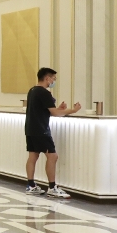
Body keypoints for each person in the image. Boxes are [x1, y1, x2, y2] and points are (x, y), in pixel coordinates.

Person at [25, 68, 81, 198]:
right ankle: (52, 187)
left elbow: (45, 110)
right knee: (52, 156)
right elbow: (54, 113)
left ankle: (31, 185)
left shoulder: (32, 90)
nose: (54, 81)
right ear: (47, 78)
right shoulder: (44, 92)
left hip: (30, 128)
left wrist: (60, 109)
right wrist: (73, 110)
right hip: (41, 129)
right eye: (53, 79)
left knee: (33, 156)